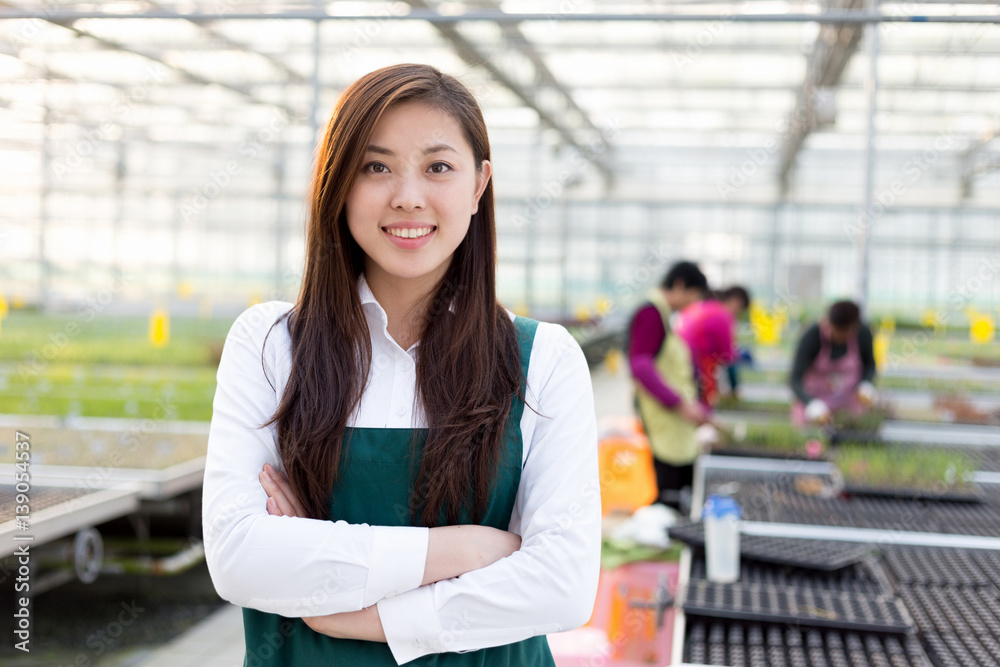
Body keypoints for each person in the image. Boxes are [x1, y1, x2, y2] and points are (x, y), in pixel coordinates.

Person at [201, 64, 601, 666]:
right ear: (338, 183)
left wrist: (362, 615)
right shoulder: (270, 344)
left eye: (438, 167)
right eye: (376, 166)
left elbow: (563, 586)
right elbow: (237, 559)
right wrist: (465, 552)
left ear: (478, 185)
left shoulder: (543, 359)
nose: (408, 195)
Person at [627, 260, 709, 512]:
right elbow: (640, 365)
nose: (693, 304)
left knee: (676, 474)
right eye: (693, 296)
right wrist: (678, 402)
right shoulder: (651, 313)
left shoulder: (664, 315)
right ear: (679, 285)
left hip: (673, 413)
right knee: (669, 477)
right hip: (664, 412)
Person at [789, 299, 877, 426]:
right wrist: (811, 403)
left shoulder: (863, 334)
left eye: (845, 332)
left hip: (848, 404)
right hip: (817, 404)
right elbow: (795, 379)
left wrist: (866, 383)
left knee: (849, 437)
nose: (839, 336)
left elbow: (870, 365)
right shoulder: (812, 336)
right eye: (836, 330)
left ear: (853, 327)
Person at [675, 285, 751, 408]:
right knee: (702, 403)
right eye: (739, 308)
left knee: (687, 400)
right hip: (699, 362)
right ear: (735, 301)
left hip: (681, 357)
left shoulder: (701, 307)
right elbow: (727, 354)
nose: (737, 313)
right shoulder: (722, 315)